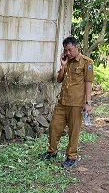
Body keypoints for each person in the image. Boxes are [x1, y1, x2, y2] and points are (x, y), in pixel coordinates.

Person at [38, 36, 94, 169]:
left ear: (77, 47)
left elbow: (88, 83)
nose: (68, 53)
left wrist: (88, 103)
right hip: (62, 102)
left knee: (74, 131)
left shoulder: (86, 62)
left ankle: (71, 157)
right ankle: (51, 152)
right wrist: (63, 66)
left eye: (70, 50)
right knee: (54, 127)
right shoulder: (66, 62)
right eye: (65, 50)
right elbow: (59, 80)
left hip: (76, 104)